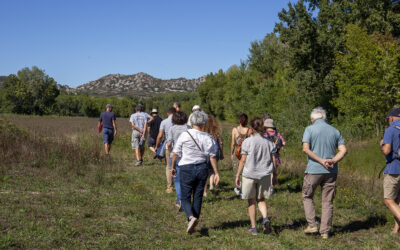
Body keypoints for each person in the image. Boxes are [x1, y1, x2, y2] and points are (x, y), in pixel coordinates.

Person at [171, 111, 220, 234]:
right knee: (198, 196)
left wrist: (173, 167)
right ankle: (194, 220)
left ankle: (191, 218)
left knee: (185, 196)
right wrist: (216, 173)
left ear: (191, 121)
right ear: (204, 122)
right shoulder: (208, 137)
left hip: (186, 167)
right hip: (202, 168)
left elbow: (176, 152)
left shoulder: (185, 135)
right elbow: (213, 156)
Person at [301, 107, 347, 239]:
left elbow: (305, 149)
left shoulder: (309, 129)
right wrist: (332, 160)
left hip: (314, 169)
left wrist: (321, 160)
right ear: (324, 117)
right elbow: (343, 150)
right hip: (331, 171)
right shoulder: (334, 130)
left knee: (307, 195)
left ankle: (312, 224)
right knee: (327, 201)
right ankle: (325, 231)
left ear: (312, 119)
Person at [235, 117, 277, 235]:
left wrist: (238, 175)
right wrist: (274, 175)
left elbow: (243, 160)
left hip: (249, 174)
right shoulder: (269, 143)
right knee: (261, 199)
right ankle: (265, 218)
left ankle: (254, 227)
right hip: (265, 175)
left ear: (252, 128)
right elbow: (274, 161)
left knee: (251, 201)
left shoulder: (247, 142)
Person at [381, 108, 400, 234]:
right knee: (399, 200)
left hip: (394, 169)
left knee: (388, 199)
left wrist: (382, 145)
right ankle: (396, 230)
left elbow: (387, 150)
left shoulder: (391, 129)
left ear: (392, 118)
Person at [166, 111, 191, 210]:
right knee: (187, 179)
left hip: (176, 156)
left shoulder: (172, 129)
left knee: (176, 178)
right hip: (188, 155)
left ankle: (180, 199)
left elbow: (168, 144)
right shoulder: (189, 128)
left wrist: (171, 151)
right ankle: (186, 199)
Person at [156, 107, 176, 193]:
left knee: (168, 166)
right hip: (180, 146)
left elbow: (160, 136)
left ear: (168, 113)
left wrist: (157, 146)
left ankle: (170, 187)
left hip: (169, 146)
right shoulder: (180, 121)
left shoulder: (164, 122)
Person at [203, 114, 224, 196]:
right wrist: (221, 152)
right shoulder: (216, 130)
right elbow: (221, 142)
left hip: (205, 153)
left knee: (204, 172)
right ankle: (211, 185)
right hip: (214, 153)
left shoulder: (203, 130)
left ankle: (204, 192)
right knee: (211, 170)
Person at [263, 118, 286, 192]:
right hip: (275, 156)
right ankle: (271, 187)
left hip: (266, 156)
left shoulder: (264, 134)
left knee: (267, 172)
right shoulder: (277, 134)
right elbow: (283, 143)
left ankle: (267, 187)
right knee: (273, 172)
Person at [231, 113, 250, 196]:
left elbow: (233, 143)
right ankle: (244, 188)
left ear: (239, 120)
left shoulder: (235, 130)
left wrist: (231, 153)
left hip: (237, 152)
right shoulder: (249, 130)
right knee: (245, 170)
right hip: (246, 153)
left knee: (236, 170)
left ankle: (238, 187)